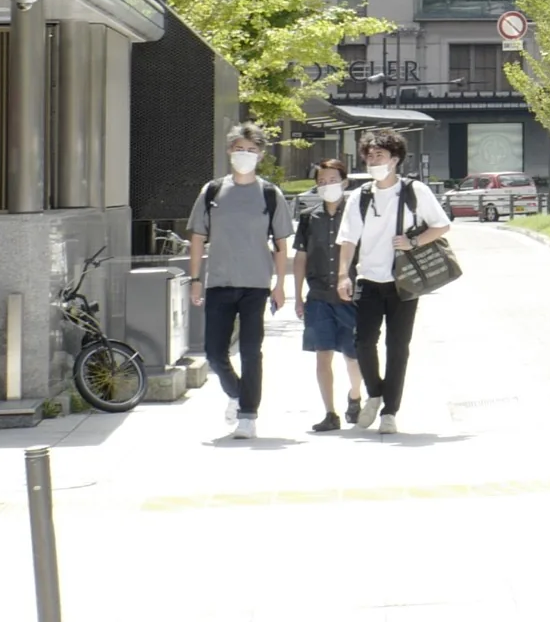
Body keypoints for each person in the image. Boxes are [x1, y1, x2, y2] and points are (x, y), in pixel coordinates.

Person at [335, 130, 451, 435]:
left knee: (398, 346)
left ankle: (389, 411)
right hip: (368, 279)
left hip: (404, 281)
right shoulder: (360, 197)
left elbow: (441, 225)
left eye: (380, 156)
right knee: (362, 341)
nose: (373, 161)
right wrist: (343, 274)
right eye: (369, 155)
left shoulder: (415, 191)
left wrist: (414, 242)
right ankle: (375, 393)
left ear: (395, 159)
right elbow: (348, 238)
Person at [185, 122, 290, 441]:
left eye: (252, 150)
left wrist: (280, 284)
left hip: (256, 283)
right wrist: (195, 279)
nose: (245, 154)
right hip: (219, 281)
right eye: (239, 148)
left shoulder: (270, 194)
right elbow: (198, 238)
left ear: (260, 155)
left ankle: (248, 415)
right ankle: (237, 393)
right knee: (215, 352)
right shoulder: (213, 191)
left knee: (250, 350)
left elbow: (281, 244)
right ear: (230, 151)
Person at [291, 157, 363, 433]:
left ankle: (355, 395)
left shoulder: (356, 215)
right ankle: (330, 412)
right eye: (321, 182)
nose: (327, 185)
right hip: (319, 296)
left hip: (351, 296)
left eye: (333, 180)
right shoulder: (310, 218)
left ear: (344, 182)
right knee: (323, 354)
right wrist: (297, 296)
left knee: (353, 356)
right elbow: (300, 258)